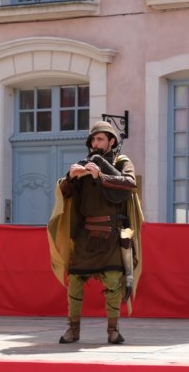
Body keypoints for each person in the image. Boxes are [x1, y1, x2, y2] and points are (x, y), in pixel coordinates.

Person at [47, 121, 143, 345]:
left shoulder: (121, 162)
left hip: (112, 233)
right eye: (93, 139)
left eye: (100, 139)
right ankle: (73, 329)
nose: (95, 143)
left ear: (111, 141)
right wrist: (70, 178)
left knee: (113, 282)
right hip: (86, 234)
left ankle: (113, 330)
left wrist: (100, 175)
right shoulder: (84, 164)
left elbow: (129, 185)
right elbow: (66, 193)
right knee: (75, 280)